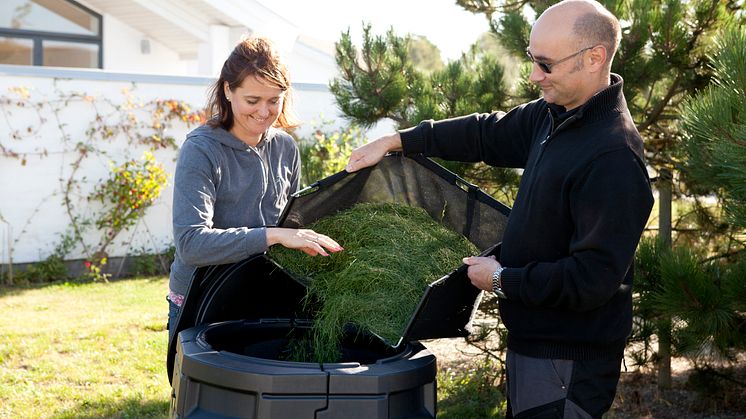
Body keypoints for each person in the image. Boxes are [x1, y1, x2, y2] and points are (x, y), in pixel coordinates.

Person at [345, 0, 654, 417]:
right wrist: (396, 141)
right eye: (531, 59)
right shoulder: (554, 115)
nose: (533, 76)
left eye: (545, 65)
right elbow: (485, 134)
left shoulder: (613, 156)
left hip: (568, 358)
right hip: (533, 345)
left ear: (594, 58)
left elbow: (591, 280)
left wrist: (502, 279)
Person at [168, 37, 343, 339]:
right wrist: (273, 236)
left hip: (264, 294)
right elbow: (191, 243)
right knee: (204, 386)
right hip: (203, 297)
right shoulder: (201, 150)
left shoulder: (285, 147)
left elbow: (292, 224)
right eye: (252, 100)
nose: (264, 112)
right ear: (227, 90)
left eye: (274, 100)